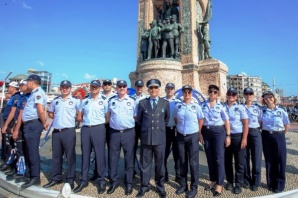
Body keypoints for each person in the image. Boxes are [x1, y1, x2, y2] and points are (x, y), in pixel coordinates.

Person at [44, 80, 81, 190]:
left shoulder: (75, 100)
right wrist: (55, 118)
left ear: (70, 89)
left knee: (70, 156)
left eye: (67, 87)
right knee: (56, 156)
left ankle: (70, 179)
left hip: (68, 131)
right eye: (62, 87)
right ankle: (56, 177)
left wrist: (78, 118)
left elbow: (81, 111)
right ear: (60, 88)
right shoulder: (56, 101)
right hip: (56, 132)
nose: (64, 89)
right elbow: (50, 112)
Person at [136, 79, 169, 198]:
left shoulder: (165, 103)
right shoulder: (142, 103)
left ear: (159, 89)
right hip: (146, 138)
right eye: (151, 88)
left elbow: (166, 119)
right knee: (145, 164)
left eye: (155, 88)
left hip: (160, 139)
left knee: (160, 165)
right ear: (148, 89)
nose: (153, 90)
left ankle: (160, 186)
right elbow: (139, 120)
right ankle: (144, 186)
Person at [73, 80, 107, 194]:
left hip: (98, 128)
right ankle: (84, 180)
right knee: (85, 155)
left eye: (96, 87)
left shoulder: (104, 100)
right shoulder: (85, 101)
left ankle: (101, 181)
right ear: (90, 87)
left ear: (100, 88)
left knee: (100, 155)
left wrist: (100, 125)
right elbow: (79, 116)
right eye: (92, 86)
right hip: (86, 129)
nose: (94, 88)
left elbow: (108, 117)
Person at [106, 80, 137, 196]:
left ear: (126, 88)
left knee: (129, 159)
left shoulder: (133, 101)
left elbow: (136, 116)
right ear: (117, 88)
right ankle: (113, 182)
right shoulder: (111, 101)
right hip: (114, 133)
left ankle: (129, 183)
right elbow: (108, 116)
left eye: (124, 86)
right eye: (120, 86)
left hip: (128, 133)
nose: (122, 88)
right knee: (113, 158)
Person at [174, 85, 204, 198]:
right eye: (185, 92)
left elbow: (200, 119)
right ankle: (183, 185)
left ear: (191, 93)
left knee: (193, 162)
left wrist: (199, 132)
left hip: (192, 136)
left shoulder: (196, 106)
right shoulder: (178, 106)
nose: (187, 94)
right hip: (181, 136)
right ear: (182, 93)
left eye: (189, 92)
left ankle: (194, 187)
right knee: (182, 161)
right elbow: (176, 119)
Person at [200, 84, 230, 197]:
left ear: (218, 94)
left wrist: (228, 136)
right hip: (206, 132)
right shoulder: (202, 105)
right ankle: (213, 180)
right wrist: (199, 133)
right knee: (210, 158)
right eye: (211, 91)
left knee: (219, 158)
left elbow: (226, 121)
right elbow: (200, 119)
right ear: (208, 92)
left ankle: (219, 184)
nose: (212, 93)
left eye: (215, 92)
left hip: (218, 132)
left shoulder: (221, 106)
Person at [21, 74, 47, 189]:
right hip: (30, 124)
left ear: (32, 82)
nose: (26, 84)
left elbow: (41, 110)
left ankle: (35, 177)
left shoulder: (37, 93)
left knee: (32, 151)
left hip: (33, 124)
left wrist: (44, 122)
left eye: (27, 82)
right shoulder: (34, 93)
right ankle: (29, 174)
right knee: (28, 150)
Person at [261, 91, 290, 193]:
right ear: (264, 100)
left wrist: (280, 134)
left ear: (274, 98)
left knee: (280, 160)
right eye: (265, 98)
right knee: (269, 160)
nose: (268, 99)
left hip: (278, 136)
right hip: (266, 136)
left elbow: (286, 125)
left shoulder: (281, 111)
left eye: (270, 97)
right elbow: (260, 123)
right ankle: (271, 183)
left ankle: (279, 185)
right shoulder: (262, 111)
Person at [224, 88, 249, 195]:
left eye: (233, 94)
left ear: (236, 97)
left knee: (239, 162)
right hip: (226, 137)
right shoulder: (222, 107)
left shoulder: (240, 108)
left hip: (238, 136)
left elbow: (246, 124)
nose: (231, 96)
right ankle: (229, 181)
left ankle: (238, 184)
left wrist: (244, 138)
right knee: (227, 161)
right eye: (229, 94)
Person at [7, 80, 31, 182]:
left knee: (23, 150)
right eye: (20, 85)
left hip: (23, 126)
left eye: (22, 85)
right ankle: (19, 170)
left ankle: (23, 172)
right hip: (18, 125)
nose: (20, 86)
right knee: (18, 149)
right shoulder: (22, 97)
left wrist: (17, 128)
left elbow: (22, 114)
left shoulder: (29, 97)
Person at [242, 87, 262, 191]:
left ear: (253, 95)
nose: (248, 96)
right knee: (245, 158)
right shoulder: (240, 107)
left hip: (255, 132)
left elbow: (261, 122)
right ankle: (246, 180)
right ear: (244, 95)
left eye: (250, 94)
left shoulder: (258, 108)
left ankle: (256, 181)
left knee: (256, 158)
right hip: (244, 133)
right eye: (246, 94)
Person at [1, 82, 21, 172]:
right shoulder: (13, 97)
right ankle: (6, 160)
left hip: (11, 123)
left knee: (10, 144)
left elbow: (12, 112)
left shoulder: (16, 97)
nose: (8, 88)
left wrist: (6, 125)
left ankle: (10, 163)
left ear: (13, 88)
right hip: (7, 121)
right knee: (6, 143)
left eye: (9, 87)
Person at [163, 82, 181, 183]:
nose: (170, 90)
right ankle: (164, 175)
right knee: (163, 154)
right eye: (168, 88)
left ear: (174, 90)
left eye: (171, 88)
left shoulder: (178, 102)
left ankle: (178, 175)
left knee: (177, 154)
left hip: (176, 130)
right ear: (165, 90)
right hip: (165, 130)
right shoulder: (161, 101)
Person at [133, 80, 147, 177]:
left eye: (141, 86)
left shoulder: (146, 98)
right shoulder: (130, 98)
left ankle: (143, 170)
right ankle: (131, 170)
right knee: (132, 148)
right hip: (133, 125)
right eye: (138, 86)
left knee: (144, 149)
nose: (139, 88)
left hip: (142, 125)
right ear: (135, 87)